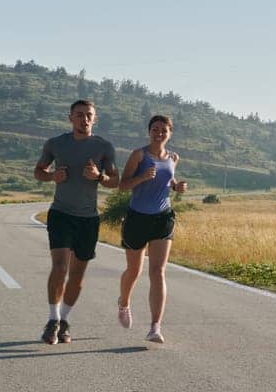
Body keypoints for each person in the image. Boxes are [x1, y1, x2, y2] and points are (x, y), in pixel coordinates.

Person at [33, 99, 119, 345]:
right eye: (79, 115)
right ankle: (52, 320)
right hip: (61, 213)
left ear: (95, 118)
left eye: (89, 115)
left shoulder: (104, 147)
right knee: (59, 266)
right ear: (70, 117)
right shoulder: (56, 144)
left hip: (88, 219)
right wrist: (52, 176)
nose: (84, 119)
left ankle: (64, 319)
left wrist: (98, 176)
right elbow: (38, 171)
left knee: (78, 275)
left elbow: (115, 180)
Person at [115, 114, 186, 343]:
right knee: (134, 271)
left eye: (164, 130)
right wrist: (142, 177)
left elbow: (168, 183)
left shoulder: (173, 157)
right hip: (137, 218)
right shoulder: (139, 155)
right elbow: (122, 186)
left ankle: (155, 327)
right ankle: (124, 302)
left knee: (157, 271)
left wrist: (177, 187)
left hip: (162, 218)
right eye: (155, 129)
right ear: (149, 131)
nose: (159, 133)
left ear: (170, 133)